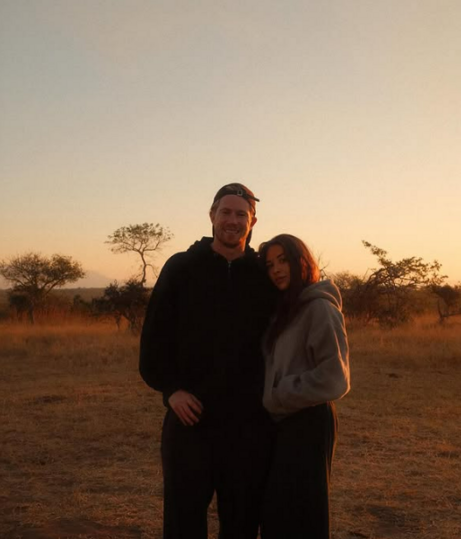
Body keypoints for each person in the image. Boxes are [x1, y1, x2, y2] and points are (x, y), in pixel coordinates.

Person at [139, 183, 277, 539]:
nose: (232, 220)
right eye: (225, 212)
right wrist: (171, 390)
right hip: (190, 421)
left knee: (242, 521)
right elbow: (154, 341)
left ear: (253, 221)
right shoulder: (182, 267)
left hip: (248, 426)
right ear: (212, 215)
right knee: (183, 521)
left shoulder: (263, 275)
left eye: (241, 214)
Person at [258, 234, 350, 539]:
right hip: (283, 423)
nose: (276, 270)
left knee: (302, 513)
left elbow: (335, 377)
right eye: (270, 265)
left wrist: (279, 393)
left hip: (309, 421)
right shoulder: (286, 309)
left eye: (283, 260)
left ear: (302, 261)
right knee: (277, 514)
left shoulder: (319, 307)